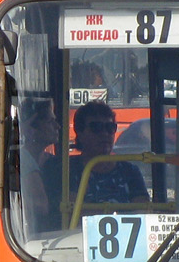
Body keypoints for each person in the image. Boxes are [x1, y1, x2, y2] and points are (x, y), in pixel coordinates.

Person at [67, 101, 149, 208]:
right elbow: (70, 214)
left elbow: (143, 212)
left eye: (110, 127)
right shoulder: (68, 170)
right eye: (96, 127)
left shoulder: (130, 171)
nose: (105, 133)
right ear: (80, 132)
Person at [16, 98, 60, 232]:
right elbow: (41, 206)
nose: (57, 126)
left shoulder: (51, 161)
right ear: (31, 128)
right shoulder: (24, 159)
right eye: (50, 122)